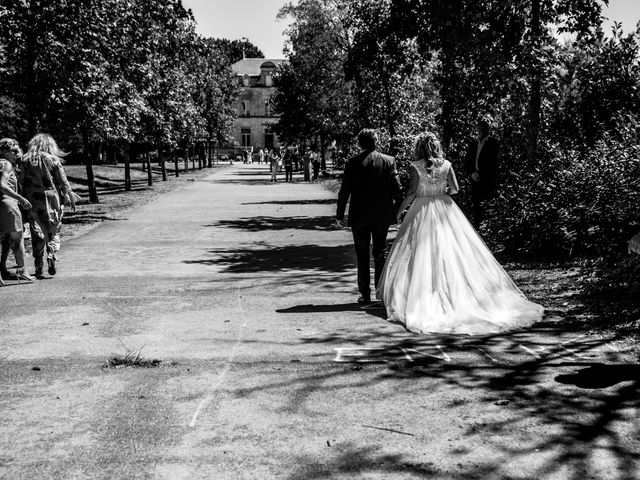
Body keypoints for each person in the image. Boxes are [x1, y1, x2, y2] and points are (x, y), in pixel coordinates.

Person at [377, 131, 543, 334]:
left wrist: (399, 211)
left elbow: (412, 192)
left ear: (419, 148)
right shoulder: (446, 165)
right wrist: (440, 193)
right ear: (436, 146)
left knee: (418, 253)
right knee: (451, 251)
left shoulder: (415, 167)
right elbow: (455, 189)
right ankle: (452, 293)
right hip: (444, 207)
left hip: (420, 209)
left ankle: (422, 294)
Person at [336, 129, 402, 304]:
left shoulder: (352, 163)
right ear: (376, 141)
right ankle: (380, 292)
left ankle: (365, 293)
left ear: (360, 143)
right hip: (382, 215)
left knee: (362, 253)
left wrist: (340, 214)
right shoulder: (389, 161)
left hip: (359, 215)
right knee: (380, 252)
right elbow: (397, 189)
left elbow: (345, 191)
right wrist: (398, 210)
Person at [20, 133, 79, 278]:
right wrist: (69, 193)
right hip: (52, 199)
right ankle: (51, 254)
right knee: (53, 229)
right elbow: (63, 180)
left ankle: (38, 265)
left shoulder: (24, 159)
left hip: (32, 199)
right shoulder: (52, 159)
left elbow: (20, 180)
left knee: (37, 230)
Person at [0, 138, 33, 284]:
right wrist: (20, 198)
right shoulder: (6, 164)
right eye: (13, 151)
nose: (16, 154)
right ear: (4, 151)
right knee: (18, 238)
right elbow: (2, 185)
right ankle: (22, 270)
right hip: (8, 205)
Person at [464, 117, 499, 230]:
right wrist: (472, 173)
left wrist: (484, 175)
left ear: (487, 130)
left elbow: (494, 163)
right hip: (475, 179)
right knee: (476, 206)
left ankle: (488, 230)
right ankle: (477, 229)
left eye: (483, 129)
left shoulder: (493, 143)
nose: (480, 131)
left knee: (488, 204)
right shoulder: (473, 144)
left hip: (488, 180)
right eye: (478, 129)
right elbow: (467, 161)